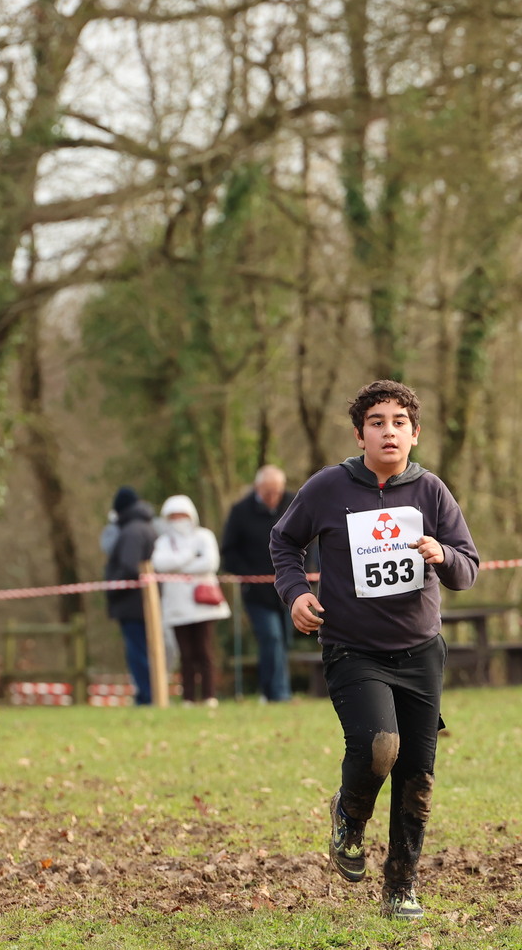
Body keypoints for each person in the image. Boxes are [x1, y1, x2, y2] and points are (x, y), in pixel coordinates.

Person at [270, 379, 479, 920]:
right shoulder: (328, 488)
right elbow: (284, 541)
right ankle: (349, 817)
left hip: (421, 651)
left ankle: (401, 887)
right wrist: (296, 592)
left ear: (415, 434)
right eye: (377, 422)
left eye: (399, 423)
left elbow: (467, 569)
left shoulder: (431, 491)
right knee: (379, 747)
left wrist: (443, 554)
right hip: (353, 649)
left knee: (418, 775)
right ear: (359, 435)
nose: (389, 432)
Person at [221, 465, 294, 703]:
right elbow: (229, 553)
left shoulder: (293, 504)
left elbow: (310, 539)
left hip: (289, 590)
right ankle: (279, 694)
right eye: (268, 492)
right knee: (271, 637)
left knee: (283, 641)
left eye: (277, 492)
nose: (273, 498)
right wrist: (249, 575)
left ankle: (268, 689)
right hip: (257, 592)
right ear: (257, 489)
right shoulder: (240, 512)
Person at [152, 494, 232, 707]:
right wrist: (190, 557)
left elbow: (209, 563)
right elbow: (159, 564)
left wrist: (177, 567)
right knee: (185, 654)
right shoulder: (163, 542)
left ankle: (209, 695)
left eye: (182, 515)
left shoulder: (204, 536)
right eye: (174, 516)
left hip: (203, 604)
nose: (178, 520)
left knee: (204, 651)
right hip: (177, 606)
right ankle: (188, 697)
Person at [103, 486, 161, 706]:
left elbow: (129, 567)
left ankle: (146, 696)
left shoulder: (132, 532)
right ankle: (151, 694)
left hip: (132, 602)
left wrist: (112, 587)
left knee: (138, 653)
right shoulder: (147, 527)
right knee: (147, 650)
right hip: (143, 601)